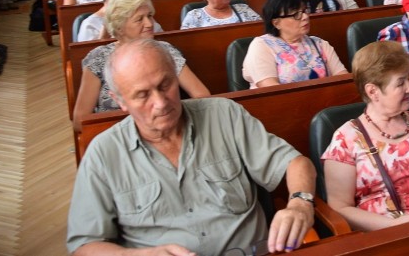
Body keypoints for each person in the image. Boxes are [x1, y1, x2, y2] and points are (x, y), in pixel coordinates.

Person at [67, 38, 315, 255]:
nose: (161, 102)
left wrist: (300, 203)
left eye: (165, 85)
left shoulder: (224, 115)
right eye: (143, 95)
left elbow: (295, 163)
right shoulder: (104, 153)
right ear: (120, 101)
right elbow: (84, 246)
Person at [322, 41, 409, 229]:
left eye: (408, 78)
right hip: (389, 235)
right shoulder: (345, 139)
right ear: (373, 91)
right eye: (401, 83)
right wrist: (392, 225)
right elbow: (339, 208)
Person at [72, 0, 210, 130]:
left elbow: (202, 96)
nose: (149, 24)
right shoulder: (98, 57)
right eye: (139, 19)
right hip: (116, 136)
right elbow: (80, 120)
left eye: (149, 16)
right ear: (119, 27)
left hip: (165, 128)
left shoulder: (164, 50)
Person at [243, 0, 347, 88]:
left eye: (304, 11)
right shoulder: (261, 46)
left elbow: (343, 79)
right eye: (296, 14)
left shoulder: (319, 44)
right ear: (276, 23)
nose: (305, 17)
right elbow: (270, 89)